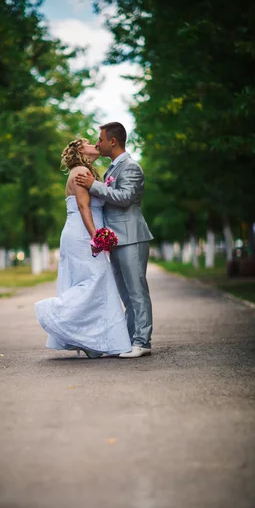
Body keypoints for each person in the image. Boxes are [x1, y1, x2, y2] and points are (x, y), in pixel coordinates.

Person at [35, 138, 132, 358]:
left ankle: (92, 341)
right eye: (89, 142)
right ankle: (54, 312)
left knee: (93, 281)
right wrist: (96, 236)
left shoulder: (88, 172)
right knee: (95, 278)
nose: (95, 144)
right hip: (81, 232)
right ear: (80, 150)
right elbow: (82, 206)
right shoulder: (79, 170)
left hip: (82, 231)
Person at [75, 122, 153, 358]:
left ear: (113, 141)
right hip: (116, 239)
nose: (97, 144)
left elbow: (126, 197)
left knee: (137, 291)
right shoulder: (112, 168)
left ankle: (143, 341)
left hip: (131, 237)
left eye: (100, 139)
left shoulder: (130, 167)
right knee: (126, 295)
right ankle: (130, 340)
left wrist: (93, 186)